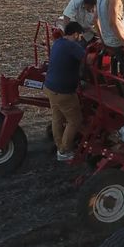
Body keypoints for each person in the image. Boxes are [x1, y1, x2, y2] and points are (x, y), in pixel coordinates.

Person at [43, 22, 86, 161]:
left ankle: (59, 145)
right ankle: (64, 150)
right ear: (75, 34)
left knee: (57, 117)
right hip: (64, 92)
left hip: (49, 87)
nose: (80, 38)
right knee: (75, 120)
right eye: (80, 36)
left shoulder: (58, 43)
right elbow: (88, 59)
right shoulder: (73, 46)